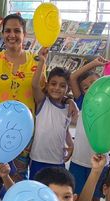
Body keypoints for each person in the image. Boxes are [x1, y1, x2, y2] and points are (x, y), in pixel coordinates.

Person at [0, 14, 44, 113]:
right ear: (3, 34)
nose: (12, 35)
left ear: (24, 34)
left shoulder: (37, 62)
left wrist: (67, 100)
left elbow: (45, 97)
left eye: (17, 31)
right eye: (7, 31)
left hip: (27, 125)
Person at [68, 56, 108, 201]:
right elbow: (72, 77)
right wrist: (94, 64)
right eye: (85, 87)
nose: (90, 88)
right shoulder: (83, 102)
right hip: (79, 160)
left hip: (99, 162)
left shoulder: (108, 104)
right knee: (75, 198)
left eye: (94, 83)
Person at [29, 47, 75, 179]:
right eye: (53, 84)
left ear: (67, 89)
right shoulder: (43, 101)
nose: (57, 88)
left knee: (55, 193)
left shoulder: (68, 108)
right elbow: (35, 85)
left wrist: (71, 144)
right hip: (38, 159)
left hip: (57, 161)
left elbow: (64, 130)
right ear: (47, 85)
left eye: (62, 86)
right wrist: (42, 61)